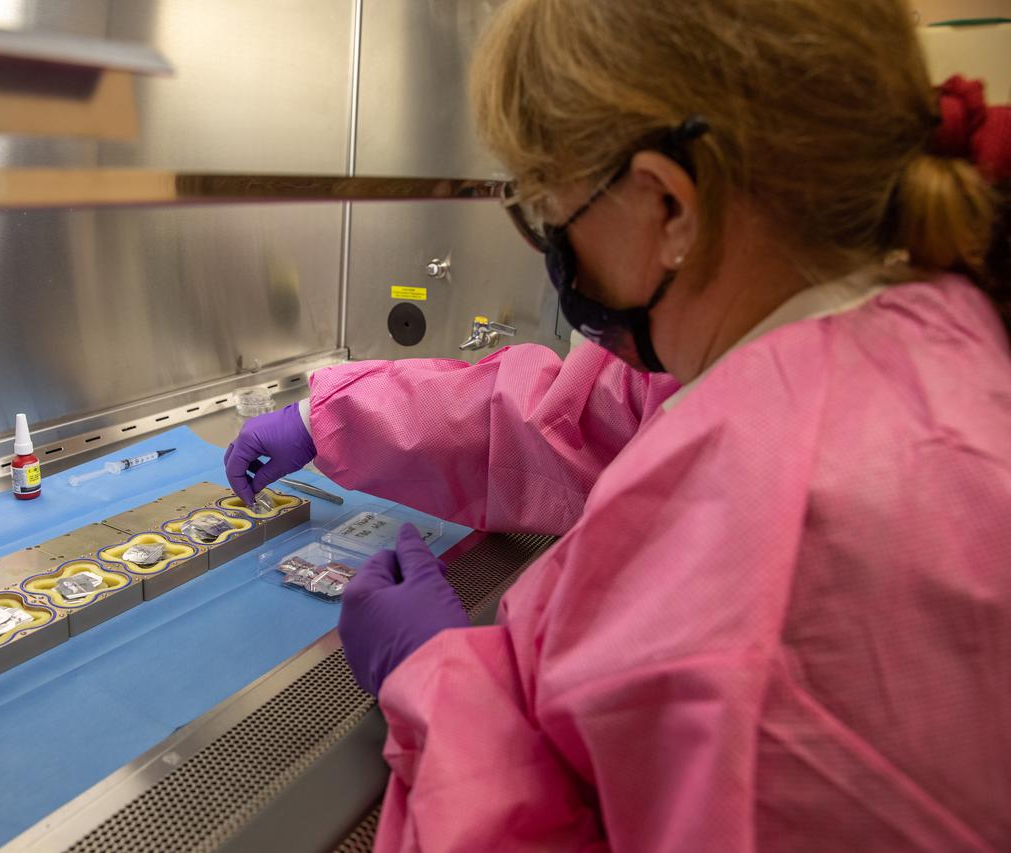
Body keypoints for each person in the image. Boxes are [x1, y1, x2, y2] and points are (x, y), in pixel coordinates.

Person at [224, 0, 1011, 848]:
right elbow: (587, 420)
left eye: (552, 212)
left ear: (669, 204)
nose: (553, 246)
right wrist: (331, 415)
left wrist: (439, 690)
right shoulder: (896, 331)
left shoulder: (783, 547)